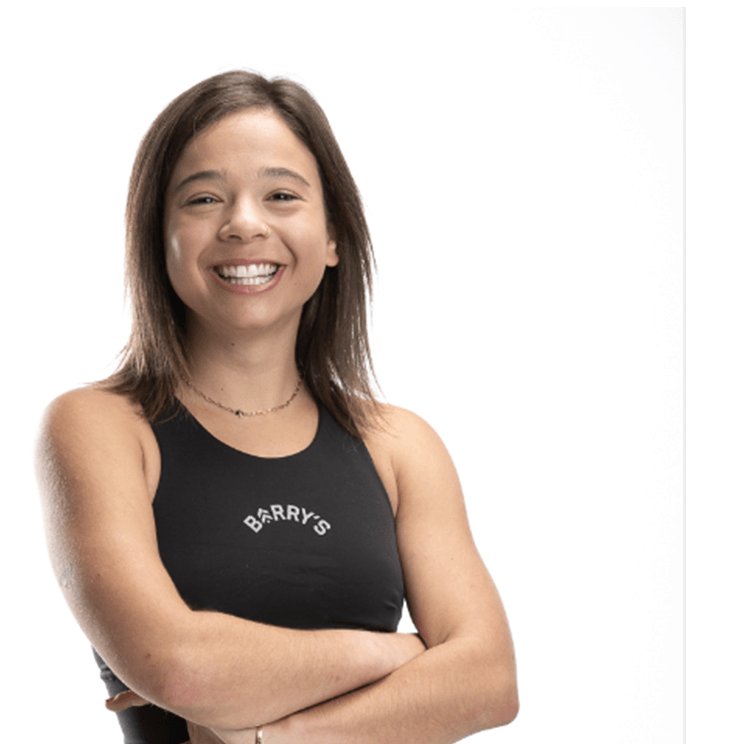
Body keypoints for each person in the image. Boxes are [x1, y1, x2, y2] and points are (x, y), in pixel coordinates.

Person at [36, 70, 518, 744]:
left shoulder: (398, 444)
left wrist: (265, 736)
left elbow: (489, 683)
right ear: (158, 238)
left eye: (281, 195)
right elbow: (180, 670)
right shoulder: (101, 428)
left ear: (332, 239)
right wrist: (403, 655)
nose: (243, 223)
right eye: (204, 198)